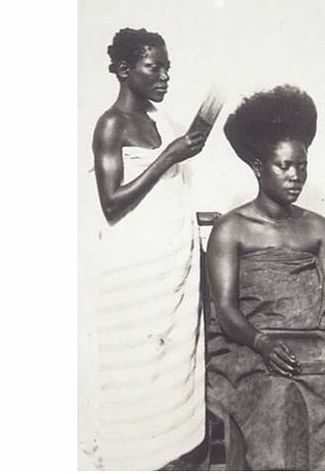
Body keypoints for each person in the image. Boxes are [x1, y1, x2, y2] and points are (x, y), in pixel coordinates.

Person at [206, 85, 325, 470]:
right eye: (285, 166)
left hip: (313, 343)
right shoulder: (231, 229)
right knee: (280, 396)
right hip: (247, 349)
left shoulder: (318, 229)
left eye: (303, 166)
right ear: (259, 167)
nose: (296, 176)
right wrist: (262, 343)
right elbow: (224, 309)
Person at [92, 28, 208, 470]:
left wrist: (177, 150)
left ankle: (173, 460)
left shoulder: (164, 122)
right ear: (125, 71)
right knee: (135, 371)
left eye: (167, 67)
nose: (164, 76)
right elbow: (111, 203)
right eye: (153, 67)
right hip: (132, 273)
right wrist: (168, 157)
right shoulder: (111, 124)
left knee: (171, 369)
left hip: (171, 271)